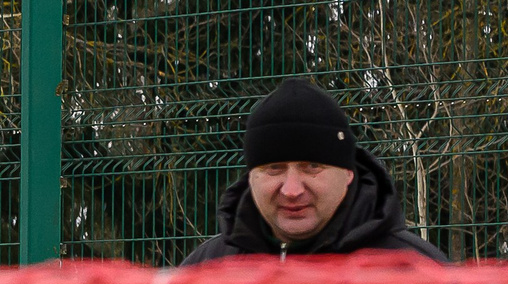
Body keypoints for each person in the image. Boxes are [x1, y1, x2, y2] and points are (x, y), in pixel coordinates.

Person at [180, 80, 449, 265]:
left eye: (312, 167)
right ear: (251, 176)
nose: (292, 190)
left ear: (348, 173)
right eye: (275, 168)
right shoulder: (205, 271)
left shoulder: (417, 273)